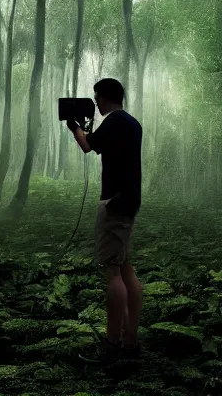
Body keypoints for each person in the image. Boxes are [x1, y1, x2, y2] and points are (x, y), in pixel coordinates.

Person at [66, 77, 143, 364]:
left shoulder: (113, 122)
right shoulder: (132, 123)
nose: (95, 102)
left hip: (115, 202)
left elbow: (88, 145)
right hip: (130, 200)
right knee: (125, 267)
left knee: (111, 272)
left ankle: (113, 343)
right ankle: (130, 339)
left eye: (97, 97)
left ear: (107, 97)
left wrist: (74, 127)